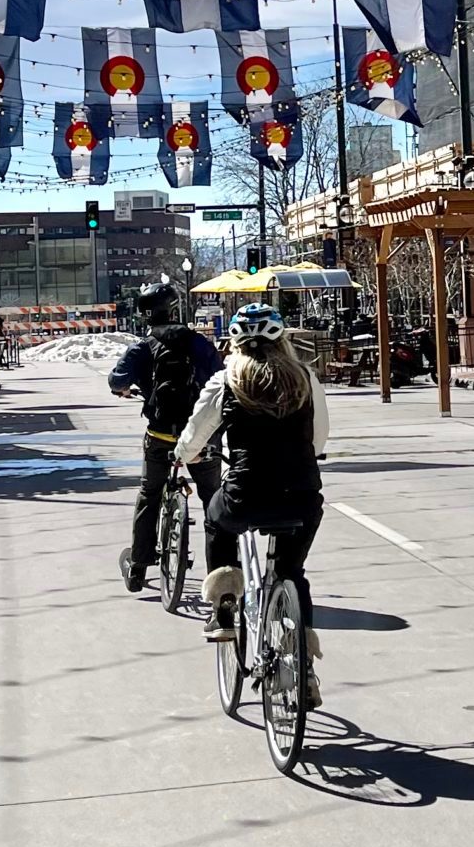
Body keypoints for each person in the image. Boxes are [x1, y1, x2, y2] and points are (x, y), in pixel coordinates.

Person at [172, 303, 328, 707]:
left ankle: (225, 604)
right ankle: (304, 669)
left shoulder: (226, 381)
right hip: (301, 494)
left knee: (216, 520)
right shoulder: (305, 378)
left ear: (235, 343)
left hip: (245, 493)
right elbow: (319, 438)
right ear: (284, 341)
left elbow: (195, 435)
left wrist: (186, 455)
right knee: (293, 573)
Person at [108, 282, 222, 593]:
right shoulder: (198, 343)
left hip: (160, 434)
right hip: (201, 435)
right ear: (175, 309)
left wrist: (126, 389)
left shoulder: (142, 347)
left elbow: (117, 379)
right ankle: (223, 573)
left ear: (146, 316)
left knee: (150, 494)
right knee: (213, 498)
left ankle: (138, 567)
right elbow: (221, 377)